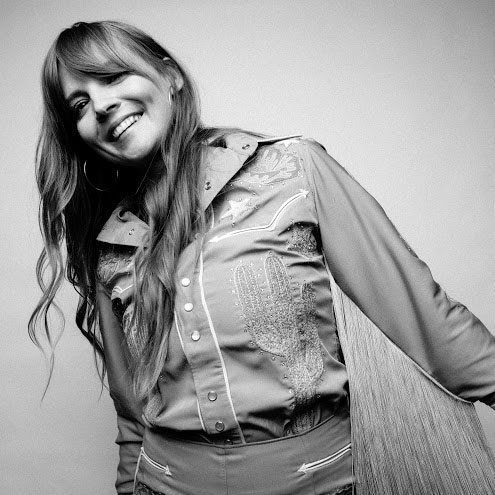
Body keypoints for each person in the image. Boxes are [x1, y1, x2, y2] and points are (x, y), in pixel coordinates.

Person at [30, 21, 495, 495]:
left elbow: (424, 318)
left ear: (168, 76)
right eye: (80, 104)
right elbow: (132, 416)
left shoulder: (293, 171)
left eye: (112, 78)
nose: (102, 105)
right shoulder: (108, 243)